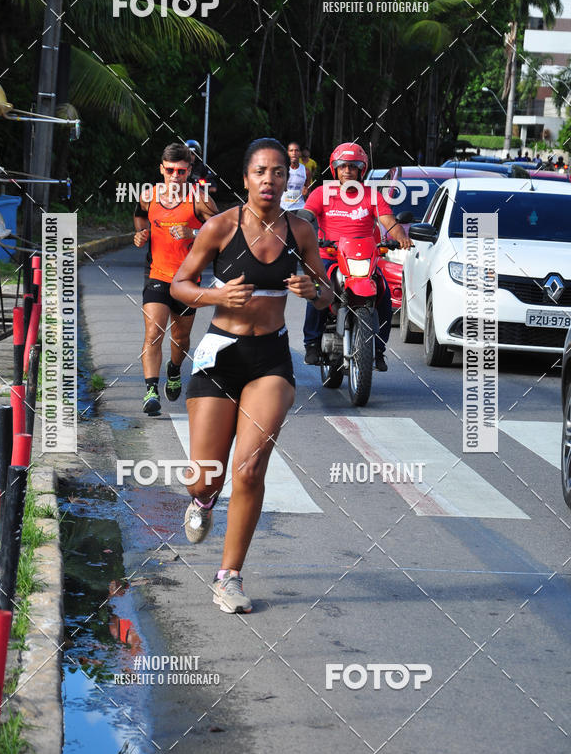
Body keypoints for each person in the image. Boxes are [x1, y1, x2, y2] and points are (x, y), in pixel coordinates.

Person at [170, 138, 331, 613]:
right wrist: (217, 298)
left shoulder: (301, 230)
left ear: (288, 178)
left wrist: (313, 288)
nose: (269, 179)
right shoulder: (220, 227)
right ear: (245, 179)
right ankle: (201, 503)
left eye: (278, 171)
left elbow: (326, 295)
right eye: (260, 171)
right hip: (219, 355)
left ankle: (229, 577)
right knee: (206, 478)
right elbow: (180, 282)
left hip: (271, 361)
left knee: (250, 468)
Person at [302, 142, 412, 370]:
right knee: (318, 290)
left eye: (353, 166)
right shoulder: (322, 193)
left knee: (383, 294)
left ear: (361, 170)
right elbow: (306, 216)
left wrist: (401, 237)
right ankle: (311, 343)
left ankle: (378, 349)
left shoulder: (372, 196)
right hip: (330, 255)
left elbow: (389, 222)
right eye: (342, 166)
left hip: (362, 258)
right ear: (335, 169)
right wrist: (300, 227)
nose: (347, 171)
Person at [134, 143, 218, 415]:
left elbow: (221, 230)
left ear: (189, 171)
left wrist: (194, 235)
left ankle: (174, 369)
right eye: (170, 170)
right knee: (153, 331)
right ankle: (150, 390)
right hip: (156, 274)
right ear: (161, 169)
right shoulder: (148, 196)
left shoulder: (199, 199)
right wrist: (141, 234)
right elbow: (139, 216)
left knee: (180, 338)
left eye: (181, 171)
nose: (174, 176)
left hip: (186, 280)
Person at [280, 141, 312, 212]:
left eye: (296, 150)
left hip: (299, 208)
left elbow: (308, 191)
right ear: (287, 153)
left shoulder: (306, 171)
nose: (294, 153)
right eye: (291, 150)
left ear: (300, 153)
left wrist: (306, 193)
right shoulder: (281, 170)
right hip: (282, 207)